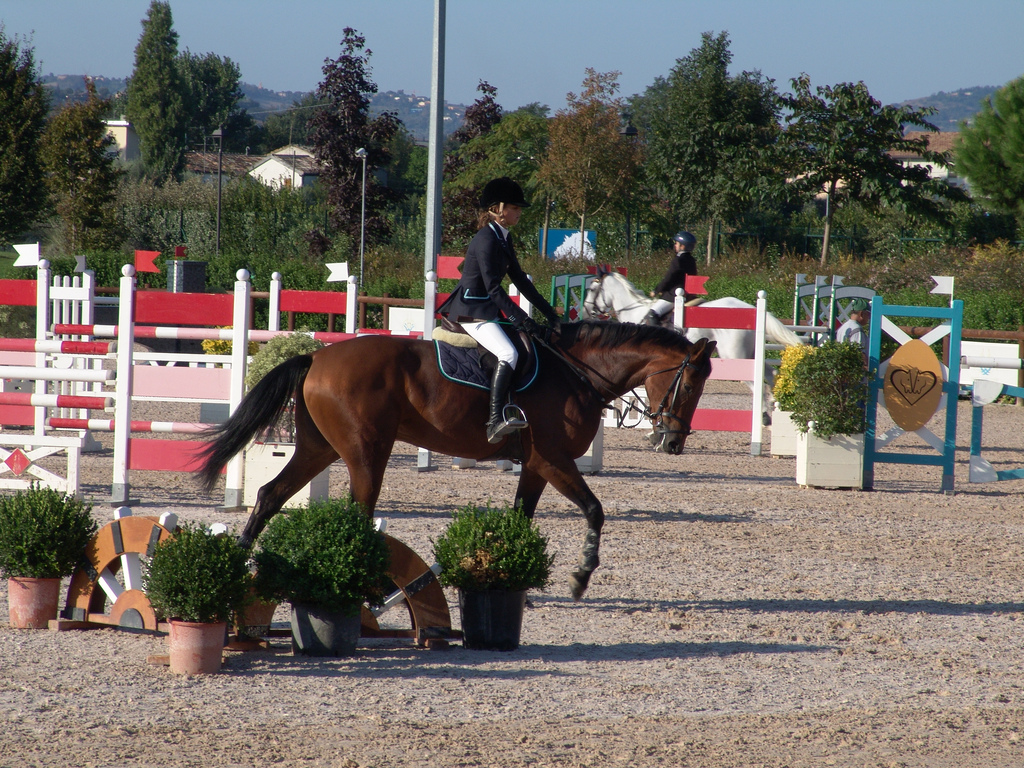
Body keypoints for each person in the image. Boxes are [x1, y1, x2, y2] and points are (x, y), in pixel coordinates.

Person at [437, 177, 561, 444]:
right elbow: (494, 288)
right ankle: (494, 421)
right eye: (515, 208)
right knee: (509, 352)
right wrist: (522, 318)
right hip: (471, 308)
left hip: (486, 308)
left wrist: (549, 313)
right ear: (498, 209)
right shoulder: (486, 239)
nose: (519, 212)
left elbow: (520, 281)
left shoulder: (503, 237)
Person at [645, 231, 698, 326]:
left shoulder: (678, 260)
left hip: (674, 295)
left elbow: (669, 277)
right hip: (688, 294)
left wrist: (657, 290)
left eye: (677, 243)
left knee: (652, 313)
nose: (675, 245)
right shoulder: (692, 260)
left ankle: (657, 337)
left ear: (683, 246)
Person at [836, 297, 871, 362]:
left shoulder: (843, 327)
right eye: (868, 314)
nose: (869, 318)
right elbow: (860, 352)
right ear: (861, 314)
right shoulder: (857, 329)